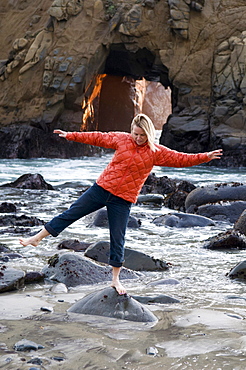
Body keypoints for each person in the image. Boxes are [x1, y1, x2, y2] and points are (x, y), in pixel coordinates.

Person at [19, 113, 223, 294]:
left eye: (142, 135)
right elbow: (98, 137)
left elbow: (181, 159)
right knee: (71, 214)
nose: (138, 138)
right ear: (131, 130)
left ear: (149, 134)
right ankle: (37, 238)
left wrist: (205, 157)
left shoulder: (155, 151)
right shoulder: (122, 139)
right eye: (136, 134)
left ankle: (115, 280)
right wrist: (71, 135)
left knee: (118, 238)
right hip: (101, 189)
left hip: (123, 200)